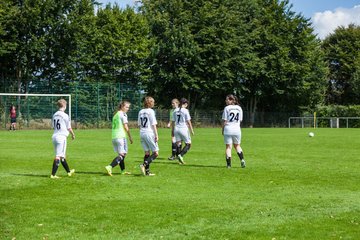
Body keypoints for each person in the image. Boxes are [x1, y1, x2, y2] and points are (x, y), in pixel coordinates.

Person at [105, 101, 133, 176]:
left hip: (114, 137)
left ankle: (123, 171)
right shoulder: (123, 114)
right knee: (123, 155)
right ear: (122, 107)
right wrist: (130, 137)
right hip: (121, 137)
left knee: (121, 154)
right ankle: (110, 166)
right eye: (127, 107)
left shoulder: (116, 114)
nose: (128, 109)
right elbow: (126, 127)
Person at [50, 99, 75, 179]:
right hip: (62, 137)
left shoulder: (54, 114)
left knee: (62, 156)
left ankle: (68, 172)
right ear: (64, 106)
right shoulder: (65, 115)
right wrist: (73, 134)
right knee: (58, 156)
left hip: (54, 136)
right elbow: (69, 127)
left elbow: (53, 126)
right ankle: (53, 175)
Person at [222, 94, 246, 168]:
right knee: (237, 146)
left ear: (231, 100)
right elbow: (240, 120)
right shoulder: (239, 108)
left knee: (228, 147)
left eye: (227, 99)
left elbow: (225, 121)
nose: (226, 101)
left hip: (228, 129)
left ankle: (229, 165)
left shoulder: (227, 108)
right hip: (237, 129)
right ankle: (242, 160)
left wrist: (222, 129)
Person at [138, 96, 159, 176]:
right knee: (156, 153)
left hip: (142, 133)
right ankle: (143, 165)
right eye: (153, 102)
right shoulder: (151, 111)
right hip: (149, 133)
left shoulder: (140, 111)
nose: (153, 103)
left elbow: (139, 124)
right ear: (150, 103)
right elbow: (153, 124)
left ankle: (147, 172)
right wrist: (156, 135)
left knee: (147, 153)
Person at [172, 98, 194, 164]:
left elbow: (173, 121)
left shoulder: (175, 110)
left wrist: (173, 130)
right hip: (183, 128)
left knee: (178, 144)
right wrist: (192, 130)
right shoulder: (185, 111)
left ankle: (180, 161)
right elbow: (189, 121)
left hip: (176, 128)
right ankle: (180, 155)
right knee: (189, 144)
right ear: (185, 104)